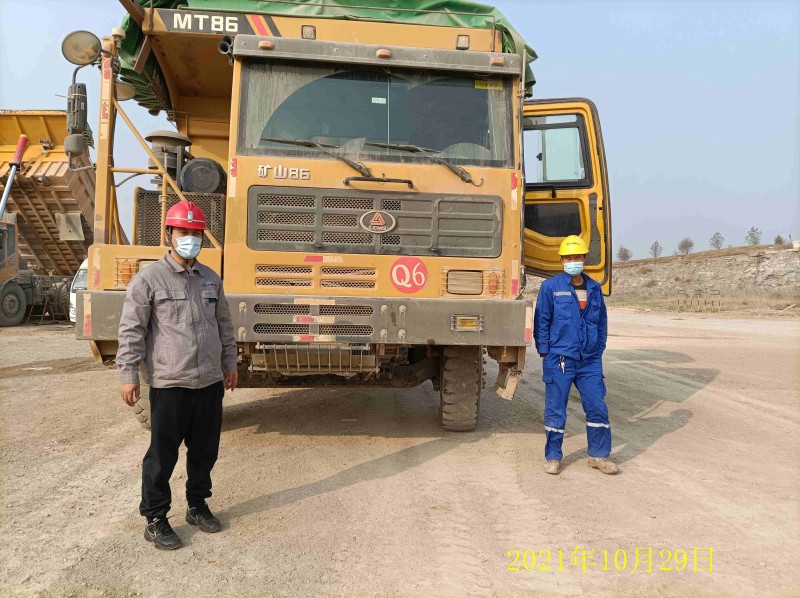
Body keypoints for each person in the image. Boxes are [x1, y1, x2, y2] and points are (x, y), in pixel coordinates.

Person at [117, 201, 238, 550]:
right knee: (162, 454)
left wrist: (230, 363)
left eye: (196, 232)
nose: (190, 238)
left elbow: (224, 324)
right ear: (169, 233)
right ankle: (155, 518)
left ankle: (197, 506)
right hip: (170, 383)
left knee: (204, 452)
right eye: (184, 231)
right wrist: (128, 374)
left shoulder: (211, 278)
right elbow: (131, 330)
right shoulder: (149, 279)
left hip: (209, 382)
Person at [533, 235, 618, 476]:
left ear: (585, 259)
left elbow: (601, 323)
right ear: (561, 260)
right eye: (568, 258)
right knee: (556, 409)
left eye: (577, 257)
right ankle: (553, 457)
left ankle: (599, 456)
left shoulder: (594, 288)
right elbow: (542, 321)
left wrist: (598, 350)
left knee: (597, 407)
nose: (573, 261)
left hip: (589, 360)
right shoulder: (551, 287)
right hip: (560, 358)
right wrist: (545, 352)